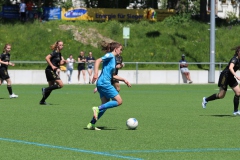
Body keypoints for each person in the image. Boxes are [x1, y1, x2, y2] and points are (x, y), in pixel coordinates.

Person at [87, 41, 131, 130]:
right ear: (116, 49)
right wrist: (95, 74)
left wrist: (124, 80)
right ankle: (97, 108)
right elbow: (98, 60)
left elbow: (113, 75)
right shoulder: (110, 55)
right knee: (119, 101)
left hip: (101, 83)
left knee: (105, 104)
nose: (121, 51)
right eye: (120, 49)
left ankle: (91, 124)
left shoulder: (113, 59)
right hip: (104, 83)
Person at [202, 46, 240, 115]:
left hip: (231, 77)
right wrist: (236, 75)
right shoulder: (234, 59)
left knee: (238, 92)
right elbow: (230, 67)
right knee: (221, 95)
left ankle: (235, 111)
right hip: (225, 76)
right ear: (238, 52)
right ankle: (205, 99)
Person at [39, 40, 66, 105]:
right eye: (60, 45)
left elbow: (59, 63)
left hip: (51, 70)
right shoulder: (55, 52)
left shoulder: (59, 54)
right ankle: (45, 89)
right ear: (57, 45)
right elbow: (47, 58)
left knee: (51, 87)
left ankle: (42, 101)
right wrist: (52, 66)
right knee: (61, 84)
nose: (61, 46)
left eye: (62, 45)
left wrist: (64, 62)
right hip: (50, 70)